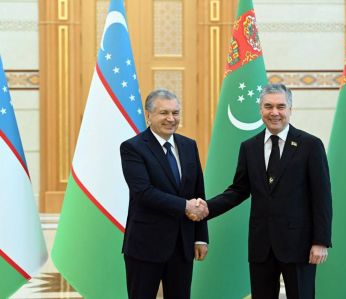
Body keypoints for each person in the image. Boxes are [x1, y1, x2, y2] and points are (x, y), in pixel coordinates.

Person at [201, 83, 332, 298]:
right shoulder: (249, 147)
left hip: (299, 245)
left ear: (290, 110)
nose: (275, 113)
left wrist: (321, 241)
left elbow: (322, 197)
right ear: (260, 109)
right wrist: (207, 208)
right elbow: (238, 190)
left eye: (281, 107)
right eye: (268, 106)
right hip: (261, 245)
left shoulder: (310, 145)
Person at [120, 89, 209, 299]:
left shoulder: (189, 145)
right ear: (148, 115)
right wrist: (185, 206)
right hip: (145, 246)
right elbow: (144, 193)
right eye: (164, 113)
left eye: (176, 113)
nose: (171, 119)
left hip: (182, 245)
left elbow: (198, 192)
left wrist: (201, 238)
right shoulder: (132, 148)